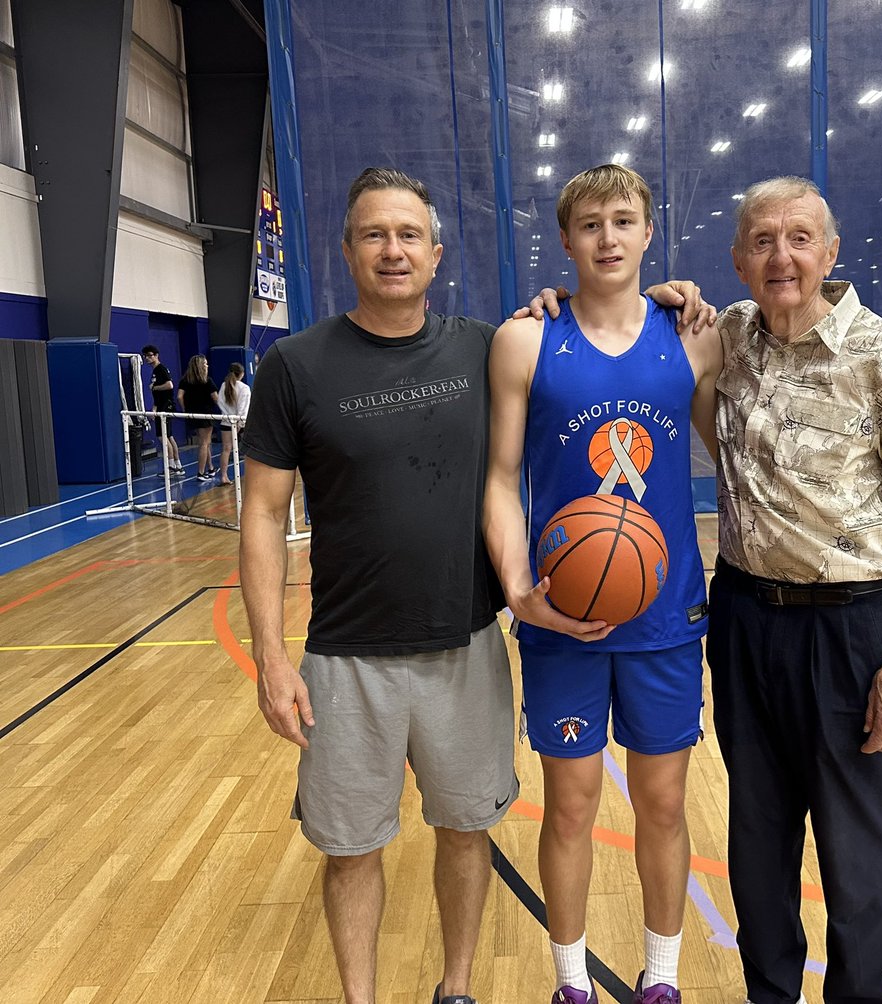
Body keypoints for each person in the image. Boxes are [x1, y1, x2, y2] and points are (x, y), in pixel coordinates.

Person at [239, 167, 520, 1004]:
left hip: (464, 643)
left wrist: (667, 300)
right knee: (350, 848)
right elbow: (263, 514)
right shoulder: (295, 365)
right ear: (347, 250)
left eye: (408, 235)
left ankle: (457, 987)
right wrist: (270, 658)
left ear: (436, 255)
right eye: (374, 234)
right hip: (343, 658)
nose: (392, 250)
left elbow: (593, 343)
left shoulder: (485, 348)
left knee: (465, 831)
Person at [707, 177, 882, 1004]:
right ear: (739, 260)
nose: (782, 256)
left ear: (831, 251)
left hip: (849, 628)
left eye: (799, 238)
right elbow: (630, 320)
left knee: (856, 855)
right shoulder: (728, 335)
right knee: (757, 839)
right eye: (763, 240)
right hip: (744, 619)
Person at [483, 164, 723, 1004]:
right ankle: (571, 983)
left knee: (663, 805)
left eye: (624, 221)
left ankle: (663, 978)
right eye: (590, 224)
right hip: (562, 613)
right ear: (566, 239)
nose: (608, 238)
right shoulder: (524, 340)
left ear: (650, 233)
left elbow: (734, 453)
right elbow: (500, 476)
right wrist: (518, 586)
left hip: (665, 614)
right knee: (571, 806)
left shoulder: (693, 337)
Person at [140, 344, 182, 475]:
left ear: (156, 355)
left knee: (162, 436)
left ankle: (171, 466)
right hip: (161, 406)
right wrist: (154, 407)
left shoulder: (161, 369)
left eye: (150, 355)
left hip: (166, 407)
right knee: (169, 436)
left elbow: (169, 385)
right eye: (145, 356)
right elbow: (158, 395)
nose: (147, 358)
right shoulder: (155, 371)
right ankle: (177, 465)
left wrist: (154, 387)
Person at [177, 354, 220, 480]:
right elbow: (216, 399)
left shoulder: (185, 380)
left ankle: (210, 468)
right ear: (201, 366)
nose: (207, 366)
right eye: (205, 364)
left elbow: (179, 396)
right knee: (204, 444)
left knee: (205, 442)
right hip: (205, 414)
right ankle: (200, 472)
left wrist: (185, 409)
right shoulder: (207, 381)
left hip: (192, 414)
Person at [215, 361, 251, 485]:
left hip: (226, 422)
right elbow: (243, 409)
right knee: (248, 451)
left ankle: (223, 476)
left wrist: (228, 417)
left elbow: (220, 402)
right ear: (242, 374)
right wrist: (239, 425)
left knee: (226, 449)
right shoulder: (244, 388)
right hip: (240, 423)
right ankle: (251, 476)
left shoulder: (224, 385)